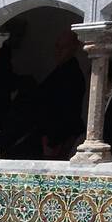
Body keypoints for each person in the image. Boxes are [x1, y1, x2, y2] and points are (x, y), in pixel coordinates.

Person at [36, 30, 86, 159]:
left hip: (59, 137)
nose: (58, 51)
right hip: (50, 135)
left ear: (73, 48)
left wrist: (52, 140)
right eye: (57, 46)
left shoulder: (72, 75)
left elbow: (66, 110)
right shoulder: (60, 71)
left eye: (64, 47)